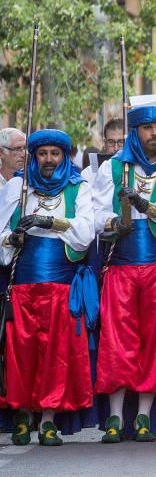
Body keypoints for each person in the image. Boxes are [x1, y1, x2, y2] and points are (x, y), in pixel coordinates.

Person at [93, 104, 156, 442]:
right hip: (120, 268)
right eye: (147, 128)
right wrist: (112, 222)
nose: (154, 134)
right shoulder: (113, 168)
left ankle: (144, 417)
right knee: (116, 342)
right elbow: (95, 213)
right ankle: (115, 417)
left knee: (155, 341)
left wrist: (145, 206)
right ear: (136, 131)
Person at [0, 129, 96, 446]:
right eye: (43, 154)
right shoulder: (19, 186)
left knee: (56, 355)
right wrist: (13, 239)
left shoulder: (78, 187)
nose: (49, 160)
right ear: (34, 156)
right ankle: (24, 417)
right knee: (22, 355)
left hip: (60, 285)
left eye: (55, 154)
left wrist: (50, 223)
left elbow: (84, 234)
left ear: (65, 156)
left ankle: (49, 420)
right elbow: (2, 243)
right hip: (24, 286)